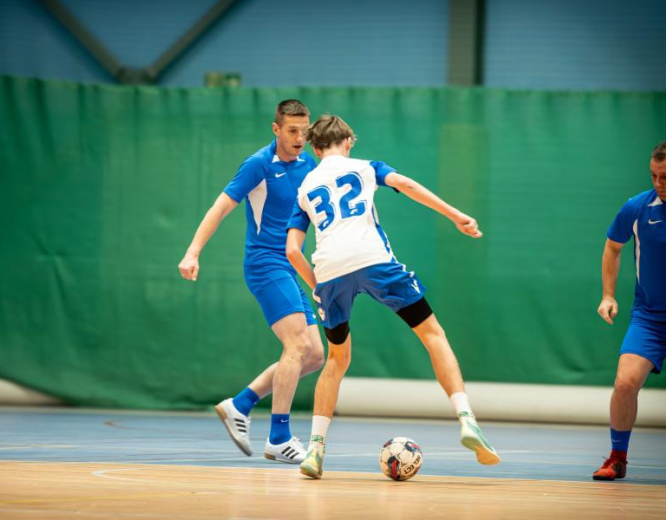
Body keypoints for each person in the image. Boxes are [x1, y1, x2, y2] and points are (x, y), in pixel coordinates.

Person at [284, 115, 500, 479]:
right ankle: (467, 420)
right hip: (374, 261)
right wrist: (455, 214)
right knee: (433, 336)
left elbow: (292, 250)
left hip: (329, 273)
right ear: (349, 141)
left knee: (337, 358)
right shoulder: (366, 167)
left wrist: (318, 285)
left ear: (316, 149)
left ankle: (315, 449)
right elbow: (406, 184)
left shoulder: (305, 186)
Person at [178, 100, 325, 464]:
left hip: (291, 264)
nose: (298, 138)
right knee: (296, 346)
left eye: (304, 132)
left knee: (316, 355)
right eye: (291, 131)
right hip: (264, 263)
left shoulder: (310, 164)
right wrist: (193, 251)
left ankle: (240, 404)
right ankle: (278, 436)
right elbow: (220, 207)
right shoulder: (258, 164)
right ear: (275, 130)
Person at [593, 142, 666, 481]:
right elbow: (613, 247)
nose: (658, 183)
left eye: (665, 177)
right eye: (654, 176)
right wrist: (608, 295)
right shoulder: (637, 208)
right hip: (649, 317)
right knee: (624, 384)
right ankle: (617, 458)